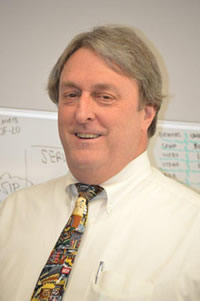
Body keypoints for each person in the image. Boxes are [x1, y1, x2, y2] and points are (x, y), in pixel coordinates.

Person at [0, 25, 200, 301]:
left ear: (148, 114)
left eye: (104, 97)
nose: (82, 113)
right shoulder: (12, 212)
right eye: (70, 95)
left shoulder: (193, 230)